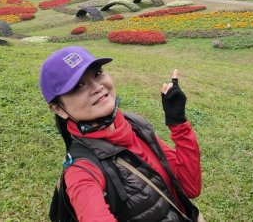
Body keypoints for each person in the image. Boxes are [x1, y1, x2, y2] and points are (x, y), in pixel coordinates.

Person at [40, 46, 202, 222]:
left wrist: (178, 123)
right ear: (59, 109)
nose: (97, 87)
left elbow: (189, 189)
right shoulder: (82, 171)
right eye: (79, 85)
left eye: (97, 73)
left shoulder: (136, 126)